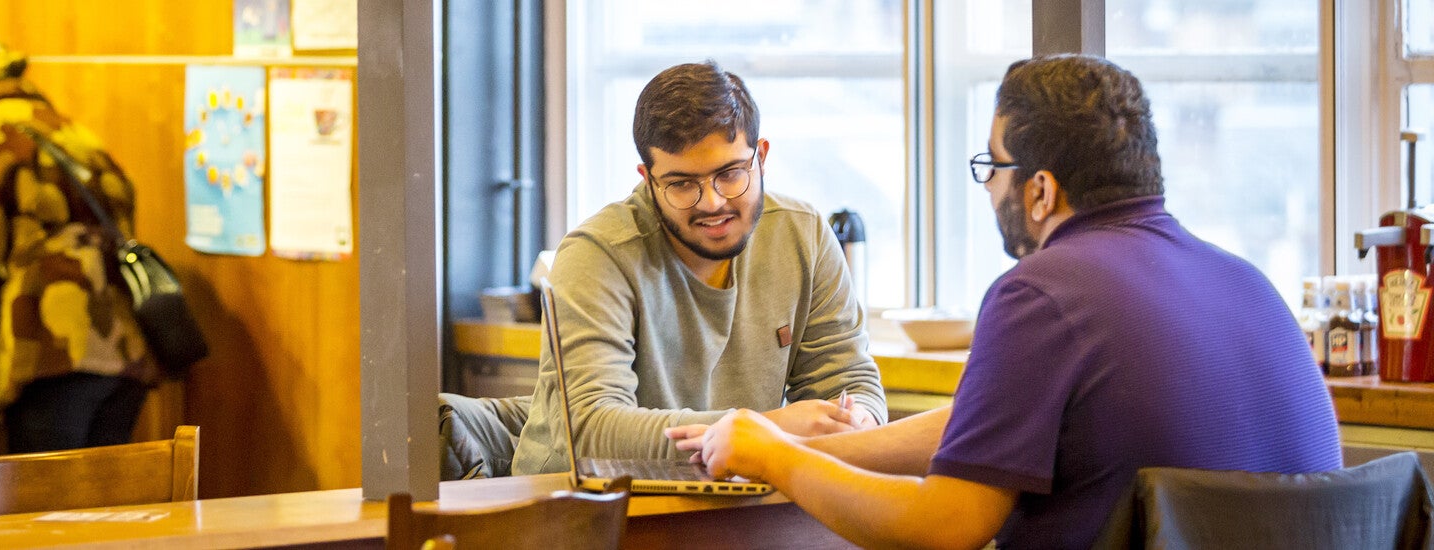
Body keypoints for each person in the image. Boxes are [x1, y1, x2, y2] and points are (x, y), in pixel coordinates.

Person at [671, 54, 1343, 549]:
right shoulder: (1250, 285)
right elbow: (985, 428)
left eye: (993, 167)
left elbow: (943, 528)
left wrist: (774, 458)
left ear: (1040, 191)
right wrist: (838, 445)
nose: (990, 188)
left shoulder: (1043, 294)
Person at [510, 60, 887, 475]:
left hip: (736, 501)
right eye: (682, 183)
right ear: (648, 178)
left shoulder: (805, 234)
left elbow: (851, 383)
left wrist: (858, 423)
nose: (712, 202)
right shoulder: (597, 254)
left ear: (760, 157)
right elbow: (591, 428)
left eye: (729, 174)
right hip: (584, 509)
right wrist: (762, 430)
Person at [0, 33, 159, 453]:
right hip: (125, 351)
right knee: (112, 512)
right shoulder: (72, 132)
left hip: (47, 354)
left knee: (46, 514)